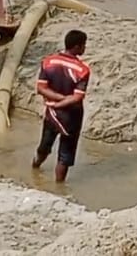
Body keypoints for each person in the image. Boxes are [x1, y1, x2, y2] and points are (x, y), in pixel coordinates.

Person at [32, 30, 91, 182]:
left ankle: (35, 169)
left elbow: (41, 89)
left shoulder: (48, 62)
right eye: (84, 45)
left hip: (51, 113)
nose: (85, 48)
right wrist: (64, 101)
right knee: (65, 154)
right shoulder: (82, 70)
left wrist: (56, 104)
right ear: (77, 47)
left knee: (44, 145)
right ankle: (59, 187)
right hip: (71, 116)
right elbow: (77, 97)